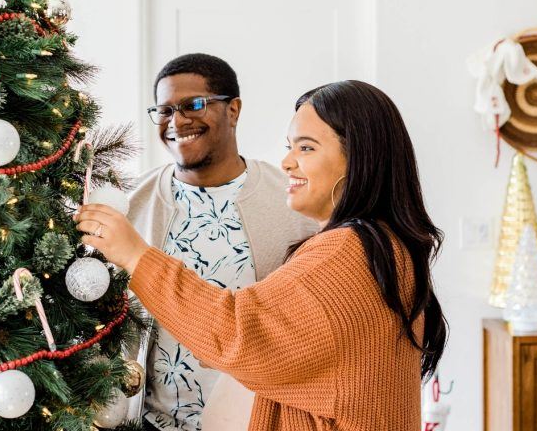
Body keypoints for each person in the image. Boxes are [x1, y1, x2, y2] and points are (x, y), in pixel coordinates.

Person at [78, 80, 448, 430]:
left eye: (306, 148)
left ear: (359, 159)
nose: (287, 162)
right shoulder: (378, 247)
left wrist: (136, 256)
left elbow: (237, 331)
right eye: (290, 146)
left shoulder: (347, 253)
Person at [125, 53, 317, 431]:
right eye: (164, 110)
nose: (177, 121)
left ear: (233, 110)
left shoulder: (294, 204)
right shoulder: (133, 204)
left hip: (257, 423)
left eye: (194, 105)